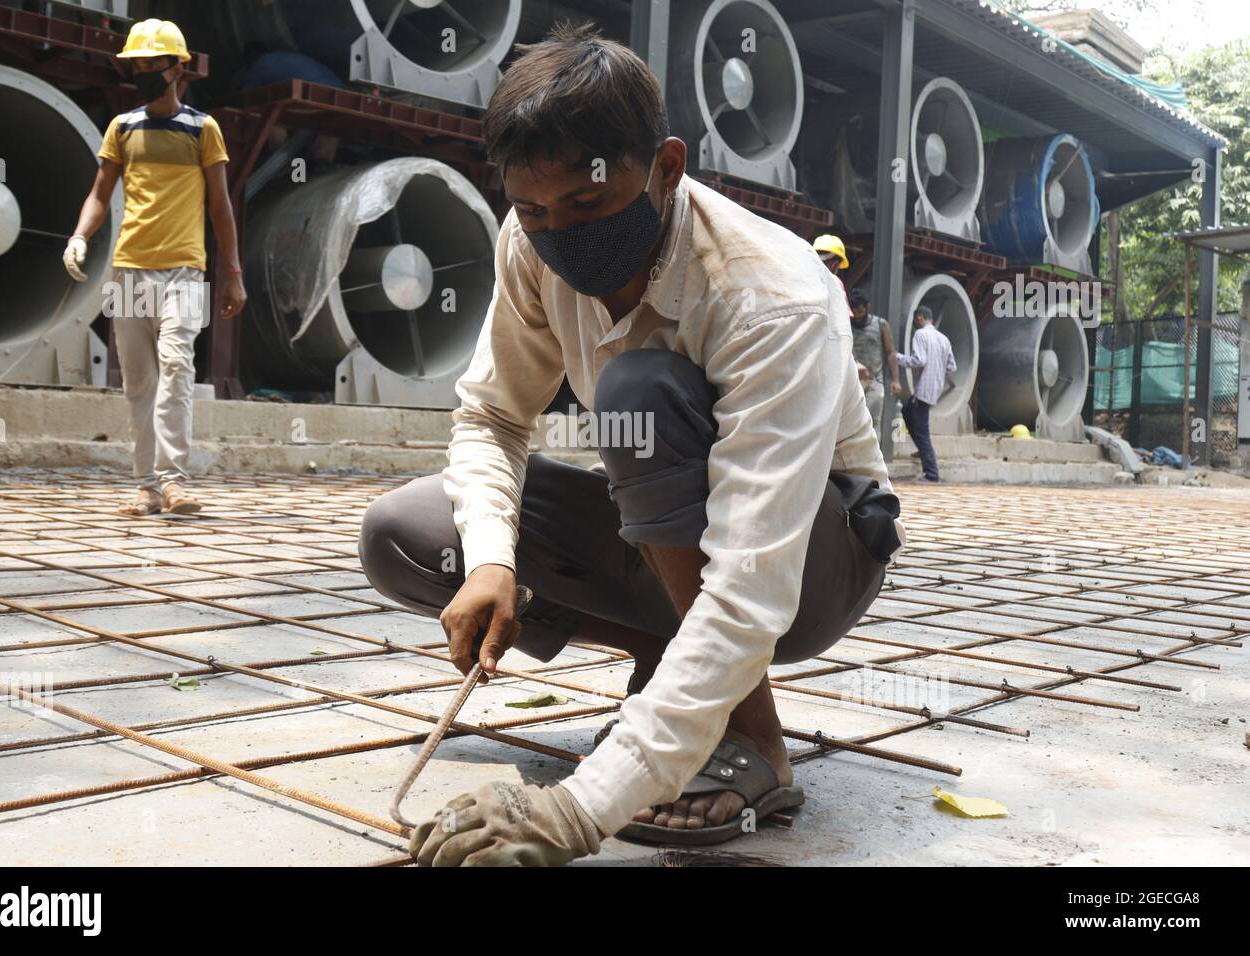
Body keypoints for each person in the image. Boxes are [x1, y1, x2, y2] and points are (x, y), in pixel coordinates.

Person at [357, 22, 906, 867]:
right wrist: (492, 562)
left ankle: (756, 740)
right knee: (406, 534)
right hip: (669, 539)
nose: (558, 233)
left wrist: (580, 809)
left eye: (587, 205)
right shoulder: (527, 245)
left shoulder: (771, 295)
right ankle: (671, 655)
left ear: (666, 168)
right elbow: (493, 418)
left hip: (812, 560)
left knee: (636, 399)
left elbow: (754, 581)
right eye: (534, 208)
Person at [64, 18, 246, 517]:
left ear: (178, 68)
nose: (142, 71)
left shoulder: (202, 130)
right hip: (129, 270)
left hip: (184, 272)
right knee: (139, 380)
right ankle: (145, 487)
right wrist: (80, 237)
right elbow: (100, 194)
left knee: (177, 366)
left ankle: (174, 482)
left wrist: (232, 273)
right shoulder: (123, 128)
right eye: (136, 64)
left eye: (151, 63)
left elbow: (220, 206)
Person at [895, 305, 956, 483]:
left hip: (923, 389)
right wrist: (937, 375)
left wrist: (897, 357)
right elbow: (952, 367)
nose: (915, 323)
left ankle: (931, 474)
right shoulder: (944, 338)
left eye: (916, 320)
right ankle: (923, 450)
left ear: (920, 318)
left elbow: (919, 360)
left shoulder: (920, 334)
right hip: (934, 388)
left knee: (922, 431)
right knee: (907, 411)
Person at [847, 289, 902, 437]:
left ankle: (873, 459)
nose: (858, 316)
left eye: (860, 311)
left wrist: (896, 380)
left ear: (867, 307)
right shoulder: (847, 324)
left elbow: (890, 352)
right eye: (854, 312)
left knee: (873, 421)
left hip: (874, 381)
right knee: (851, 422)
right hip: (852, 381)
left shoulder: (880, 324)